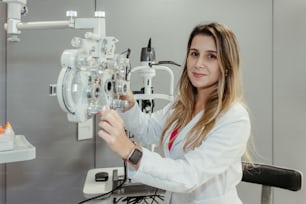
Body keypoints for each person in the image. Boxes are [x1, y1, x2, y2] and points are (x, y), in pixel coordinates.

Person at [98, 22, 251, 204]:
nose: (198, 64)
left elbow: (188, 176)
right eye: (194, 54)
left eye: (211, 56)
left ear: (226, 65)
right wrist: (129, 104)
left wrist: (130, 151)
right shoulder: (182, 104)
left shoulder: (234, 118)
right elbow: (149, 130)